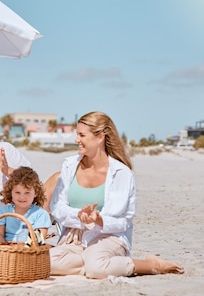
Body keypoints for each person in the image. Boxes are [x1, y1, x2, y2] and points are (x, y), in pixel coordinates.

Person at [49, 111, 184, 278]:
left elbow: (122, 222)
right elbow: (57, 207)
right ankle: (92, 262)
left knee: (96, 268)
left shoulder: (121, 173)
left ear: (100, 137)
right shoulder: (69, 166)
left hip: (109, 237)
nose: (77, 139)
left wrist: (97, 220)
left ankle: (149, 265)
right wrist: (79, 215)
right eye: (77, 134)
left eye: (82, 135)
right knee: (46, 263)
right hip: (74, 237)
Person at [0, 166, 52, 244]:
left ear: (36, 193)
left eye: (27, 193)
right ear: (11, 192)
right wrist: (5, 246)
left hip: (30, 250)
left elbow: (39, 238)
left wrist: (24, 248)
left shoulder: (41, 214)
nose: (22, 197)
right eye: (17, 192)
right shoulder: (3, 212)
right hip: (6, 250)